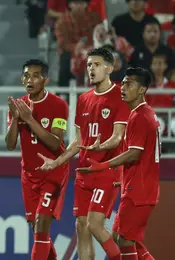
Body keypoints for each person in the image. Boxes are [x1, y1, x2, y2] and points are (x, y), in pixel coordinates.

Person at [37, 47, 131, 260]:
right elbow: (79, 141)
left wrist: (100, 147)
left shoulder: (119, 95)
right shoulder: (83, 99)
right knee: (81, 226)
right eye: (89, 65)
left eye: (96, 65)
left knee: (95, 225)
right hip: (84, 172)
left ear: (109, 68)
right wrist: (56, 162)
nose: (91, 69)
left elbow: (118, 137)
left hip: (107, 170)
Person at [76, 67, 159, 260]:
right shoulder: (143, 114)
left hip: (139, 190)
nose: (123, 88)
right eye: (122, 83)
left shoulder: (139, 116)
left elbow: (133, 154)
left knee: (124, 239)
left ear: (142, 89)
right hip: (137, 188)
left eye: (129, 84)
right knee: (120, 237)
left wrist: (103, 165)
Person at [5, 59, 69, 260]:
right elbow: (9, 144)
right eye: (26, 75)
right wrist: (15, 119)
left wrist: (30, 120)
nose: (29, 80)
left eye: (35, 75)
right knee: (38, 231)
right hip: (29, 175)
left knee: (42, 224)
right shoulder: (18, 106)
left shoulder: (59, 105)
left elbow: (55, 142)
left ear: (46, 80)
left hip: (53, 172)